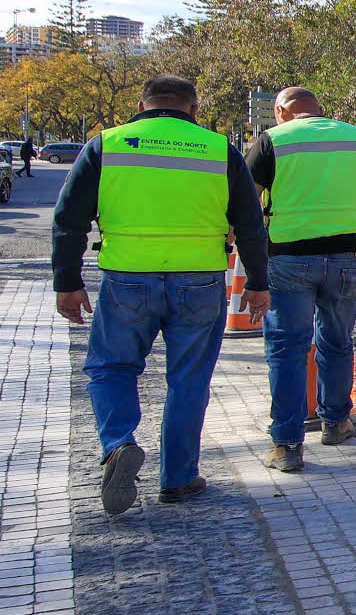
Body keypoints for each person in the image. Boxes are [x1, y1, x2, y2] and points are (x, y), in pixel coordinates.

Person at [51, 74, 271, 514]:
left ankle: (118, 442)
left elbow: (69, 218)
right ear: (194, 108)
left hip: (127, 278)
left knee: (111, 367)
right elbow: (250, 224)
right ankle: (179, 478)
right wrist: (258, 284)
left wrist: (68, 282)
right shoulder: (217, 149)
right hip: (200, 279)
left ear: (142, 105)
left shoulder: (107, 144)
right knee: (189, 379)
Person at [245, 86, 356, 470]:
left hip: (289, 259)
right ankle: (336, 422)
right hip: (349, 257)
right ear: (318, 109)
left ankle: (286, 445)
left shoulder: (272, 140)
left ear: (281, 111)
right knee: (337, 341)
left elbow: (246, 204)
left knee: (287, 348)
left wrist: (250, 257)